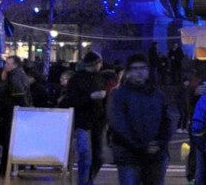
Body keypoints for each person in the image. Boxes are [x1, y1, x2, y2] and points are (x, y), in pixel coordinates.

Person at [109, 55, 171, 185]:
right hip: (129, 156)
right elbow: (118, 125)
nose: (139, 72)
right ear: (128, 72)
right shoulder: (119, 94)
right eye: (135, 68)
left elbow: (167, 121)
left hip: (156, 156)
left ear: (148, 71)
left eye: (143, 68)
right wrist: (141, 147)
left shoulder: (158, 94)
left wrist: (160, 142)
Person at [63, 58, 109, 185]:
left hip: (98, 121)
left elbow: (105, 99)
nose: (101, 65)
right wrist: (90, 97)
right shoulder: (77, 79)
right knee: (85, 154)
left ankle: (88, 179)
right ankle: (84, 182)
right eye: (99, 63)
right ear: (94, 64)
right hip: (82, 121)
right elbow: (71, 100)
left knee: (98, 156)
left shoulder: (100, 78)